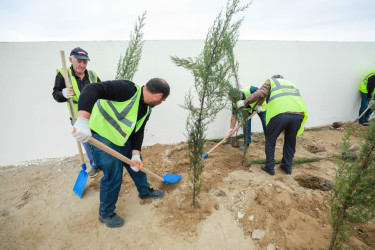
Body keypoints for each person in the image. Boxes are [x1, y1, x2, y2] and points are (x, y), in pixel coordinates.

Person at [72, 78, 170, 228]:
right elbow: (91, 89)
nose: (161, 103)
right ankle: (106, 214)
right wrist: (83, 121)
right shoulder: (128, 89)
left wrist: (135, 153)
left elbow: (138, 132)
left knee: (137, 165)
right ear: (158, 96)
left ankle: (144, 191)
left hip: (121, 139)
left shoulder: (146, 109)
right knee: (113, 176)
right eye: (163, 100)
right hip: (102, 137)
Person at [237, 75, 307, 175]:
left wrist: (244, 102)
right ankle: (287, 166)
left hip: (280, 114)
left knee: (270, 140)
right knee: (290, 141)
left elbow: (260, 93)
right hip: (298, 114)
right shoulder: (290, 84)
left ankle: (270, 167)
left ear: (274, 78)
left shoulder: (272, 82)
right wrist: (260, 105)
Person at [52, 47, 101, 178]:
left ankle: (103, 163)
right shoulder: (63, 75)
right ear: (71, 60)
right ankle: (95, 166)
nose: (82, 65)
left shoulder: (92, 75)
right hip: (77, 115)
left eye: (85, 62)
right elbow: (55, 94)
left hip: (95, 114)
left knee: (100, 139)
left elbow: (102, 91)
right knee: (86, 141)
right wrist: (62, 94)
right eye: (79, 61)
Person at [228, 86, 267, 151]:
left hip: (260, 106)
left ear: (240, 95)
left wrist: (259, 105)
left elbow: (263, 95)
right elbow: (234, 116)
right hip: (248, 110)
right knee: (246, 124)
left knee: (265, 122)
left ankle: (269, 141)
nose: (235, 102)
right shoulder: (234, 103)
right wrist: (231, 129)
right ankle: (246, 143)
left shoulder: (251, 90)